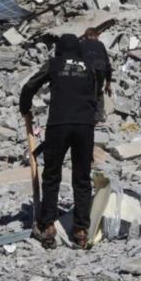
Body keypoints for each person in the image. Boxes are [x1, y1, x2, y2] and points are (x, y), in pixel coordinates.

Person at [19, 34, 102, 249]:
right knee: (82, 178)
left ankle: (47, 226)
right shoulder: (90, 66)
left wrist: (25, 108)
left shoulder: (55, 64)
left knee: (52, 175)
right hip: (85, 126)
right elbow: (97, 95)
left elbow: (30, 86)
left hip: (59, 124)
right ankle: (81, 230)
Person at [80, 27, 112, 122]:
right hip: (101, 69)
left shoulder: (81, 44)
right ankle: (98, 117)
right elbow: (107, 64)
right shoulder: (100, 45)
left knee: (84, 92)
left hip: (86, 69)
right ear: (93, 36)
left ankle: (84, 115)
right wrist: (108, 83)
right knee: (98, 93)